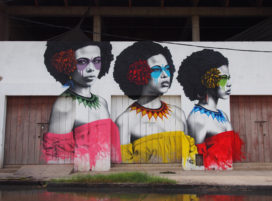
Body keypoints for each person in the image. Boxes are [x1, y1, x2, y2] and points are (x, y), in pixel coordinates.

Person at [113, 41, 197, 168]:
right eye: (157, 70)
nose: (164, 75)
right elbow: (123, 166)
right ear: (139, 73)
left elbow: (191, 156)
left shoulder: (179, 113)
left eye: (167, 69)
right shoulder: (125, 120)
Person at [43, 41, 121, 171]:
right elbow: (56, 156)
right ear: (67, 65)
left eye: (97, 61)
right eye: (82, 62)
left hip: (102, 175)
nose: (91, 68)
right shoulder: (65, 104)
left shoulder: (102, 102)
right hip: (81, 174)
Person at [177, 49, 244, 170]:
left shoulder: (223, 114)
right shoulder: (197, 118)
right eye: (223, 78)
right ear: (208, 80)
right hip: (209, 176)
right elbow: (196, 156)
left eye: (228, 78)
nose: (229, 83)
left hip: (226, 175)